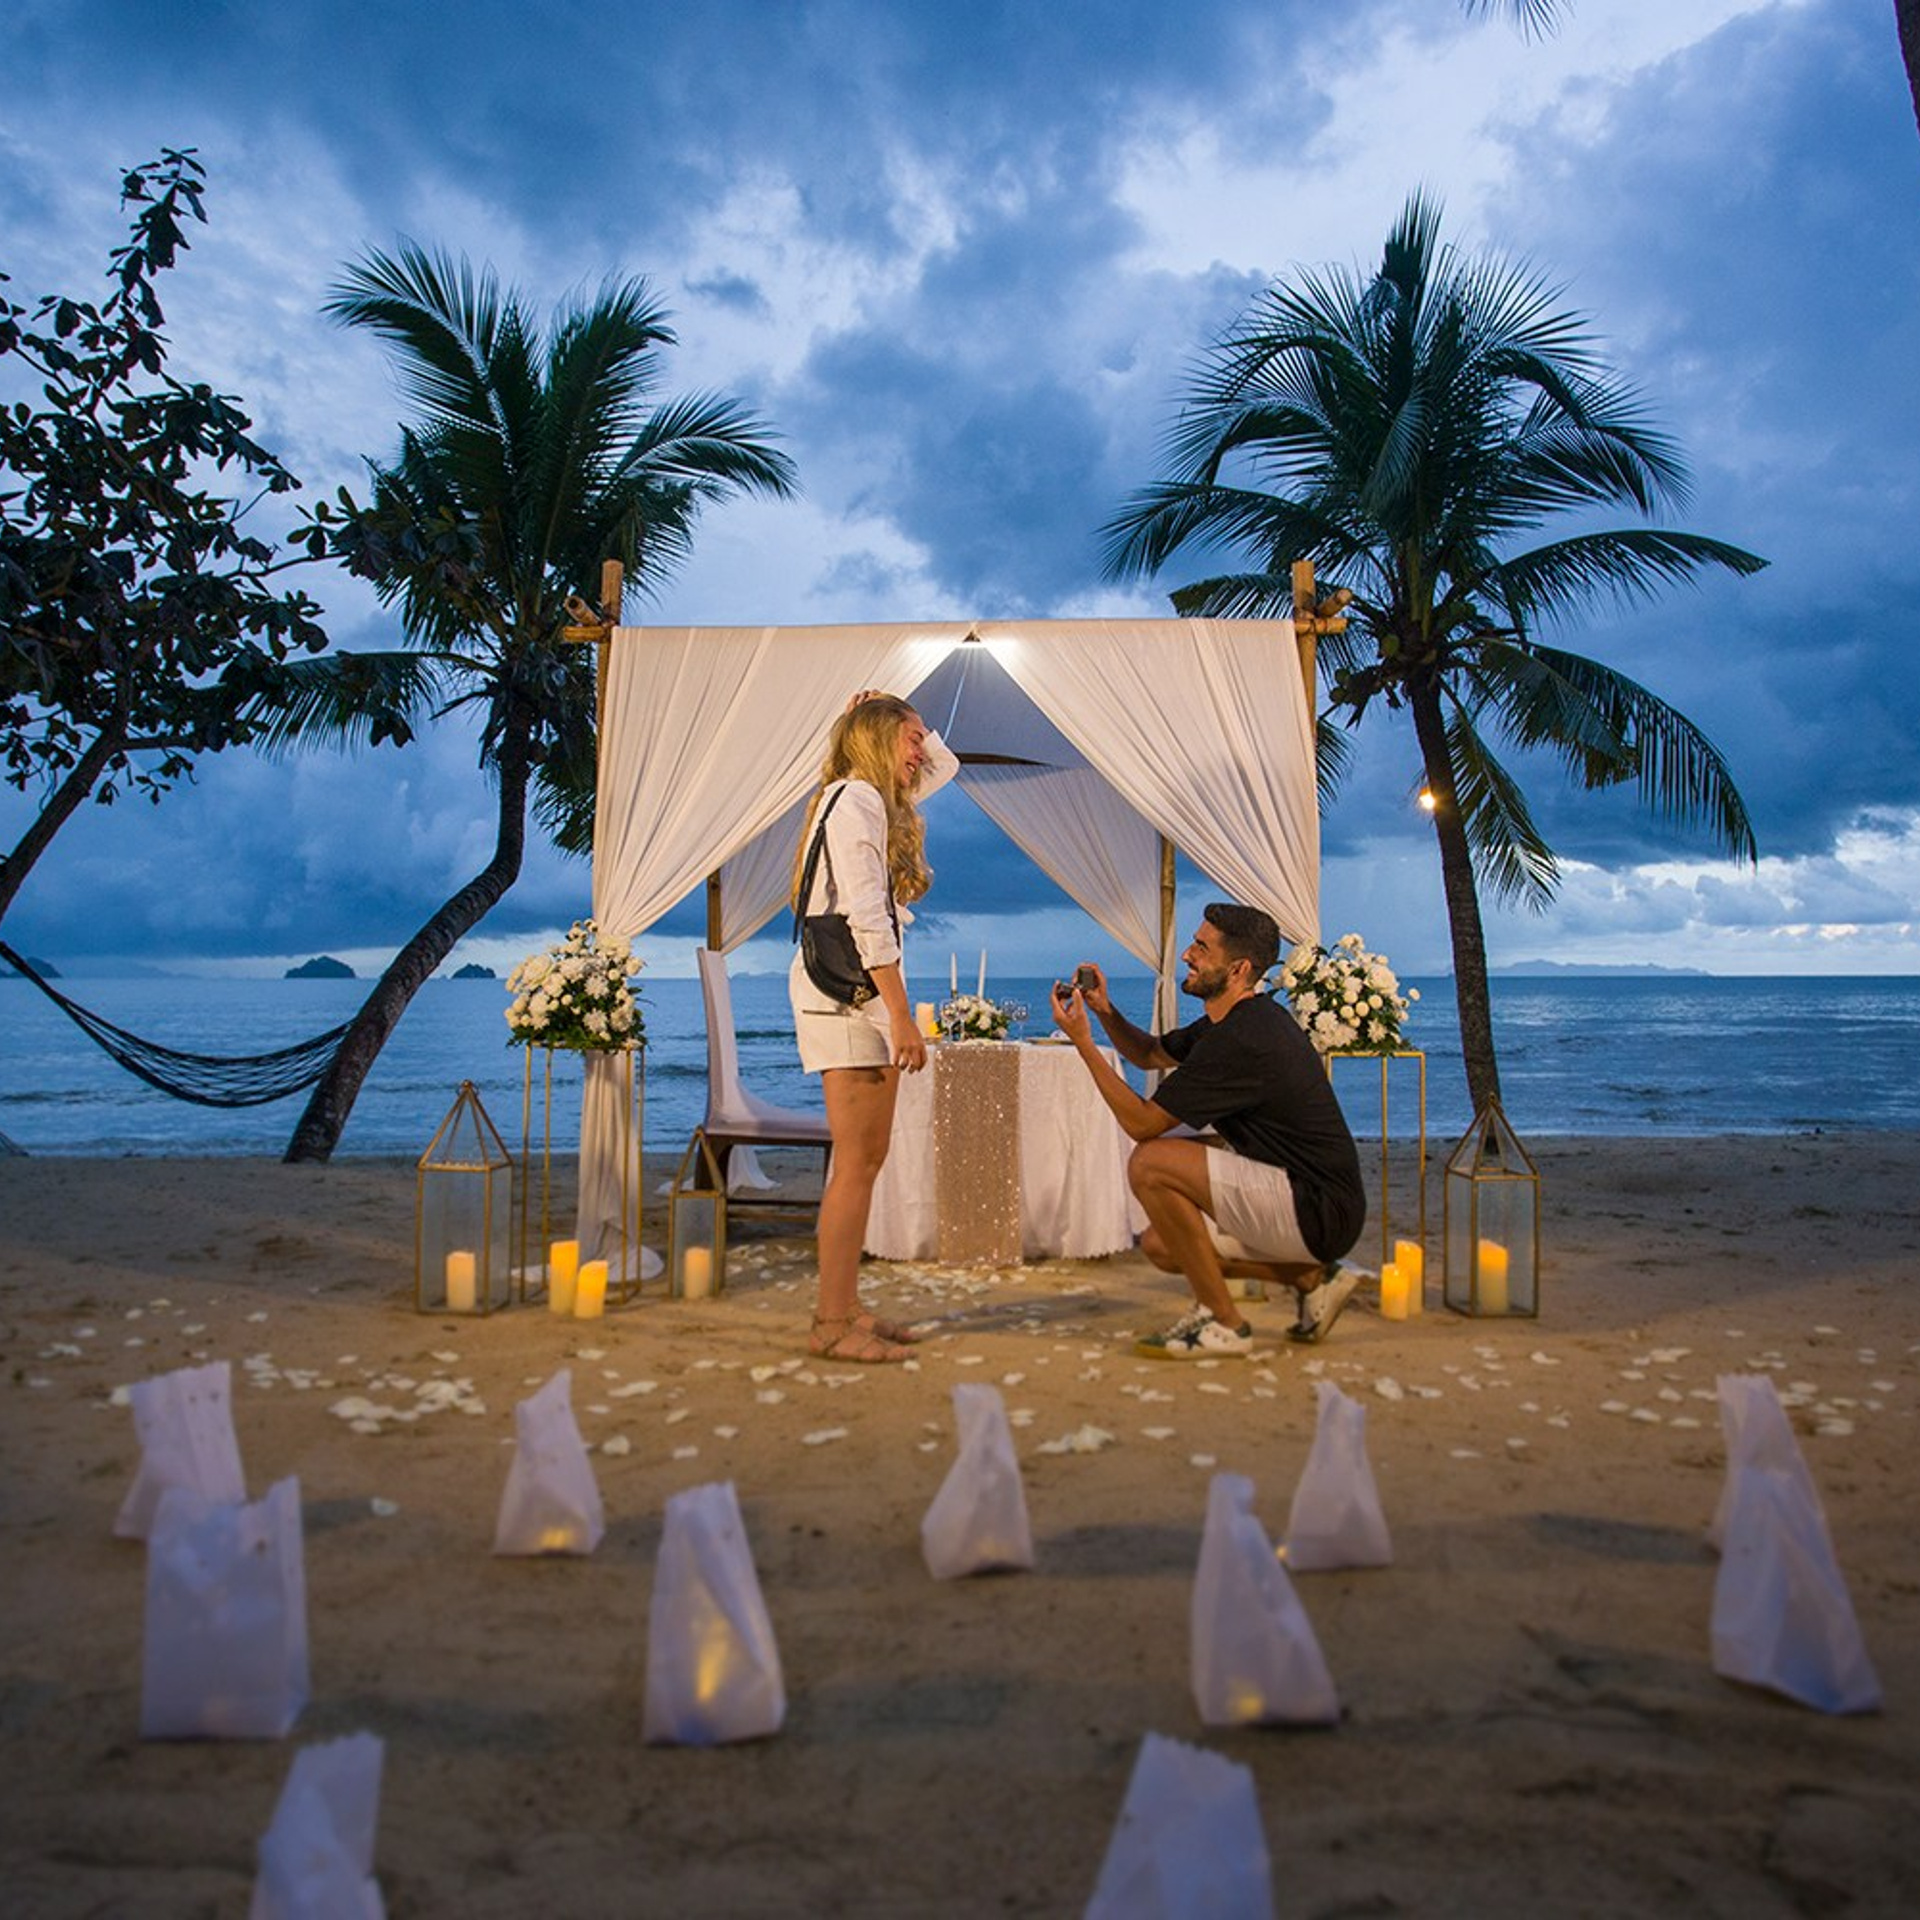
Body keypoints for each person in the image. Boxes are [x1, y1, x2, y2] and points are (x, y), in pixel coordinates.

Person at [1050, 903, 1367, 1358]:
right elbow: (1150, 1053)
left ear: (1238, 969)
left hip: (1317, 1209)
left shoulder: (1243, 1039)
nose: (1186, 955)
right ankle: (1311, 1278)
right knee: (1162, 1246)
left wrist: (1082, 1043)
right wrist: (1103, 1011)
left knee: (1151, 1162)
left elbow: (1142, 1125)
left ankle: (1224, 1323)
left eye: (1201, 947)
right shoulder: (1236, 1019)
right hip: (1306, 1198)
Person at [789, 690, 959, 1362]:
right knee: (856, 1166)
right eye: (910, 738)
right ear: (874, 738)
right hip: (850, 998)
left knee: (864, 1162)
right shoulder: (856, 799)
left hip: (850, 995)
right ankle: (831, 1323)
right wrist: (899, 1016)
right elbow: (867, 917)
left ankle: (847, 1307)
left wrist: (900, 714)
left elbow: (947, 770)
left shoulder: (855, 795)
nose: (922, 752)